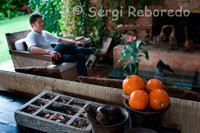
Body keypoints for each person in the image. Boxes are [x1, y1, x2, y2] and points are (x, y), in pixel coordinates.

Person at [26, 13, 96, 76]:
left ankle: (83, 79)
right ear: (33, 25)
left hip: (57, 55)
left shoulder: (44, 33)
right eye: (39, 22)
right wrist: (49, 52)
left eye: (42, 21)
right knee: (60, 45)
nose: (42, 23)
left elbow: (59, 39)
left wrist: (75, 42)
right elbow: (32, 49)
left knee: (80, 56)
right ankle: (85, 50)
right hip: (49, 58)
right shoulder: (31, 36)